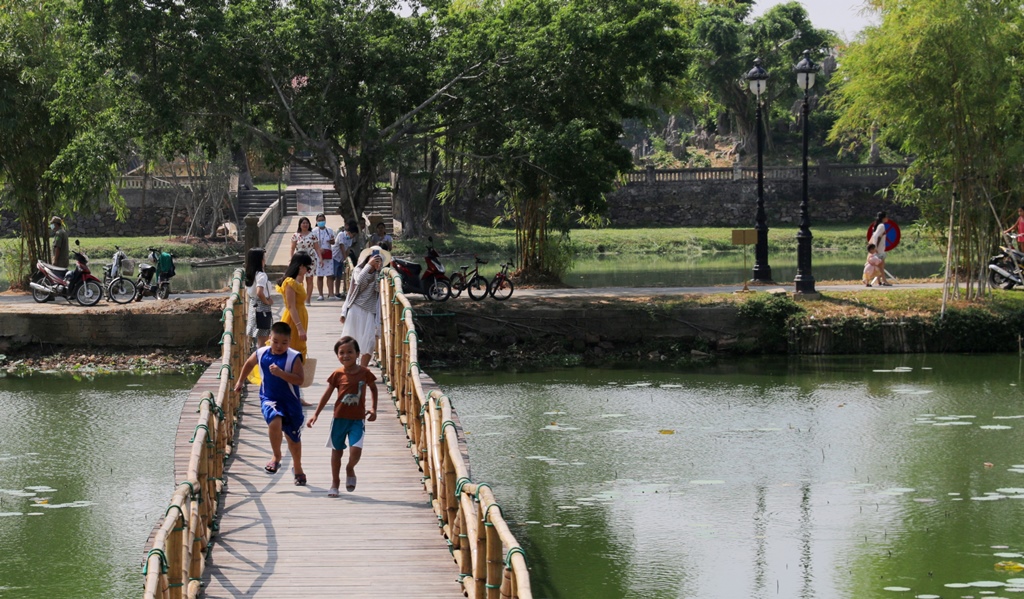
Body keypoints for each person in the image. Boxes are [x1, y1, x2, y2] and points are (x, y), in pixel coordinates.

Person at [234, 321, 307, 486]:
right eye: (275, 341)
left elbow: (300, 380)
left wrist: (281, 374)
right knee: (274, 421)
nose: (279, 346)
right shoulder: (262, 353)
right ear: (269, 339)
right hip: (269, 398)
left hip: (290, 402)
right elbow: (249, 363)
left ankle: (298, 468)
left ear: (290, 342)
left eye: (284, 343)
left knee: (293, 439)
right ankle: (276, 456)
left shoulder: (293, 357)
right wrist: (240, 381)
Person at [306, 336, 378, 496]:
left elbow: (373, 388)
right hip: (339, 419)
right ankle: (335, 483)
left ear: (358, 354)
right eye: (341, 353)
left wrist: (373, 408)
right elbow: (326, 395)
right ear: (337, 356)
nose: (346, 355)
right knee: (336, 452)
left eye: (350, 352)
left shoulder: (365, 373)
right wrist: (316, 414)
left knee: (356, 450)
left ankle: (350, 468)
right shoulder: (337, 374)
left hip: (357, 419)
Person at [340, 246, 390, 368]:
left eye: (378, 259)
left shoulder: (380, 274)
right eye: (373, 257)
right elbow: (359, 282)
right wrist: (369, 266)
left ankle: (362, 370)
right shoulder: (359, 269)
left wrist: (377, 271)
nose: (375, 260)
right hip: (356, 308)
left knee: (369, 342)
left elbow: (378, 288)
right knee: (352, 339)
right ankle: (351, 368)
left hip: (370, 311)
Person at [244, 247, 274, 348]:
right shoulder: (261, 275)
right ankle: (260, 358)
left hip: (253, 306)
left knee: (258, 339)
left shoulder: (250, 274)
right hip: (262, 309)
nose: (265, 260)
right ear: (260, 260)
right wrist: (267, 302)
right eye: (263, 257)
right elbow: (259, 292)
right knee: (263, 341)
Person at [290, 217, 318, 305]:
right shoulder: (295, 235)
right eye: (303, 223)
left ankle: (308, 299)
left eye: (307, 223)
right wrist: (291, 259)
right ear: (300, 225)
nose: (305, 225)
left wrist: (320, 258)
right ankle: (299, 298)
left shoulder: (313, 235)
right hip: (299, 260)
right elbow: (292, 248)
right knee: (299, 280)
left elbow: (317, 248)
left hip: (311, 260)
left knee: (309, 280)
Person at [312, 213, 335, 301]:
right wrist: (319, 249)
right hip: (318, 255)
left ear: (325, 220)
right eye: (319, 220)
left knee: (330, 275)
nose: (321, 222)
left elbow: (333, 242)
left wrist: (332, 241)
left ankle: (331, 293)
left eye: (322, 220)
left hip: (328, 254)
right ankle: (320, 294)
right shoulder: (314, 231)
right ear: (316, 221)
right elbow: (312, 243)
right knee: (320, 275)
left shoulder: (329, 230)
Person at [331, 221, 356, 300]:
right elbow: (342, 247)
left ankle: (337, 292)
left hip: (341, 259)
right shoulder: (341, 235)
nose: (353, 237)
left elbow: (348, 249)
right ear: (349, 232)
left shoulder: (350, 239)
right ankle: (331, 292)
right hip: (335, 257)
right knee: (333, 276)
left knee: (339, 276)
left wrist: (346, 259)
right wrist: (345, 258)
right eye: (353, 235)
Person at [868, 212, 892, 286]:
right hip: (880, 250)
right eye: (886, 217)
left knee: (879, 267)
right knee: (881, 267)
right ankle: (884, 281)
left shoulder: (877, 225)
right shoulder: (881, 226)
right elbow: (877, 236)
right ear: (883, 218)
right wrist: (875, 248)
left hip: (878, 250)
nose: (887, 218)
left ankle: (879, 281)